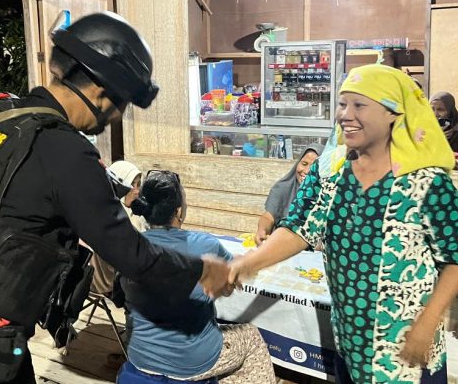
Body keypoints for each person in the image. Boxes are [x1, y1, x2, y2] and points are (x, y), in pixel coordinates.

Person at [0, 12, 231, 384]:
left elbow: (11, 190)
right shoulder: (66, 150)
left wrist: (119, 192)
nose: (115, 117)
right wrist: (202, 270)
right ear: (100, 91)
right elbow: (134, 258)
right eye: (122, 104)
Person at [229, 64, 458, 384]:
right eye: (342, 104)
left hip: (405, 352)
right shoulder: (332, 173)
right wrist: (246, 264)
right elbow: (299, 228)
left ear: (393, 114)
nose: (345, 115)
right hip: (350, 343)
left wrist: (427, 323)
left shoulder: (425, 182)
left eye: (359, 105)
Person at [120, 170, 277, 383]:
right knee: (250, 337)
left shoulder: (129, 246)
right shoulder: (205, 245)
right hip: (192, 360)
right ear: (178, 211)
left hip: (139, 354)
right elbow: (228, 285)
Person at [89, 160, 146, 296]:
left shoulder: (131, 211)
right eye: (132, 185)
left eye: (138, 185)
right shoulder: (113, 215)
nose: (136, 191)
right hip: (107, 281)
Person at [255, 143, 323, 245]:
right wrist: (262, 230)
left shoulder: (327, 195)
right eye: (304, 164)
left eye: (314, 167)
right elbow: (269, 216)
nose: (307, 171)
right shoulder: (284, 188)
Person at [429, 91, 458, 158]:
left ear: (450, 111)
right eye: (432, 109)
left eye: (440, 110)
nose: (435, 114)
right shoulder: (424, 127)